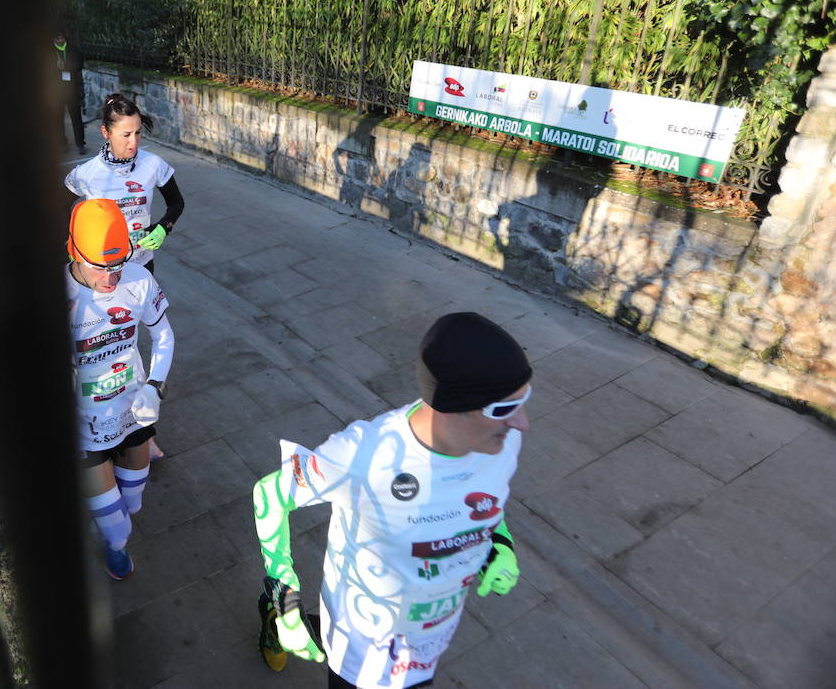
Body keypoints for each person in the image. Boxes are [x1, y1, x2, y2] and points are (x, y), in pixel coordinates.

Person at [251, 312, 531, 688]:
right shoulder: (364, 455)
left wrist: (499, 543)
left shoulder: (502, 442)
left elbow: (486, 499)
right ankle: (275, 618)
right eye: (503, 408)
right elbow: (269, 495)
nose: (522, 422)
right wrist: (285, 599)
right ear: (452, 403)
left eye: (524, 401)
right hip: (362, 653)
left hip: (429, 641)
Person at [65, 91, 185, 459]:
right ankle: (99, 426)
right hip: (100, 272)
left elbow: (176, 202)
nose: (133, 142)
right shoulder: (85, 175)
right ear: (105, 132)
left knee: (136, 342)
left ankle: (142, 433)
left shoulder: (153, 165)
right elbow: (64, 217)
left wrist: (164, 227)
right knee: (106, 344)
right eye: (125, 135)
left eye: (137, 134)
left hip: (138, 269)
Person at [66, 198, 175, 580]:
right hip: (84, 425)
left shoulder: (138, 279)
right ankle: (114, 546)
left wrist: (155, 386)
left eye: (118, 265)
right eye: (100, 268)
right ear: (74, 251)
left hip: (133, 411)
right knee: (119, 528)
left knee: (134, 503)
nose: (111, 279)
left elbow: (163, 333)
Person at [54, 30, 87, 154]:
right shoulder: (50, 51)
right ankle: (62, 143)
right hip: (57, 90)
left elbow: (78, 64)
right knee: (58, 118)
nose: (60, 40)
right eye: (57, 38)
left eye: (61, 37)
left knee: (76, 117)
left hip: (71, 89)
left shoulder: (73, 49)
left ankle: (80, 144)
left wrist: (65, 67)